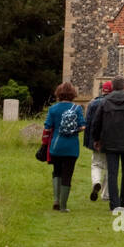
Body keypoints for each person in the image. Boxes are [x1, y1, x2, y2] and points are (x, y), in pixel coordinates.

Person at [89, 76, 124, 212]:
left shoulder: (105, 102)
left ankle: (114, 204)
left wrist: (96, 139)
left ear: (113, 87)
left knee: (112, 173)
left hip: (110, 142)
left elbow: (97, 123)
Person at [43, 82, 86, 212]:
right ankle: (63, 206)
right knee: (67, 175)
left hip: (56, 145)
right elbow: (83, 126)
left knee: (57, 171)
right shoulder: (77, 109)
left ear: (59, 94)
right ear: (73, 94)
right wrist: (74, 130)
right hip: (71, 147)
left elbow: (47, 127)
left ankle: (56, 199)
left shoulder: (53, 109)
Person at [85, 80, 113, 202]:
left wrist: (89, 142)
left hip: (96, 140)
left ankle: (96, 182)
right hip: (111, 141)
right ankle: (105, 194)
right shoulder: (115, 103)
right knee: (109, 167)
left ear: (102, 90)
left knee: (96, 164)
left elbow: (89, 124)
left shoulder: (93, 103)